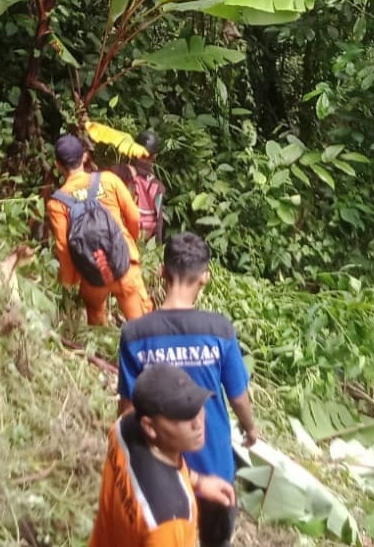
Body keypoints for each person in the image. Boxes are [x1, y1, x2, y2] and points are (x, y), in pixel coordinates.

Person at [117, 232, 257, 547]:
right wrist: (250, 429)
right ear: (205, 277)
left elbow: (127, 412)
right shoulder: (219, 330)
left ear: (162, 273)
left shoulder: (135, 334)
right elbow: (238, 396)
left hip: (157, 470)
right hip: (215, 465)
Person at [91, 363, 237, 547]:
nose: (198, 423)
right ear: (150, 427)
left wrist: (198, 481)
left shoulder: (124, 427)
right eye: (183, 416)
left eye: (197, 406)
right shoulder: (171, 518)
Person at [46, 134, 154, 326]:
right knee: (143, 328)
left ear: (58, 165)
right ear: (85, 157)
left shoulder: (57, 203)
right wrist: (129, 242)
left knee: (96, 319)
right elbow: (134, 217)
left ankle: (101, 349)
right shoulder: (108, 180)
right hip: (125, 264)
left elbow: (63, 246)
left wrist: (70, 280)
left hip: (93, 272)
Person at [115, 130, 167, 245]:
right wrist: (157, 247)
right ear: (154, 157)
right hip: (143, 239)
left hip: (119, 235)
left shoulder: (120, 171)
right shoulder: (158, 186)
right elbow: (158, 221)